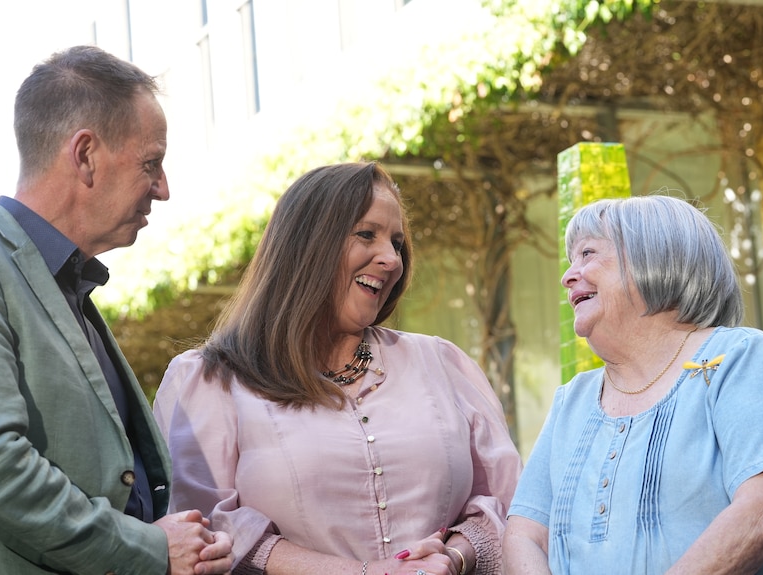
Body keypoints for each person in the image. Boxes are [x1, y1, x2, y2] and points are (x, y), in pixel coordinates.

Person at [152, 161, 522, 575]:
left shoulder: (442, 364)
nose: (391, 259)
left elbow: (508, 506)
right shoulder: (209, 381)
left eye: (397, 243)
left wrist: (452, 557)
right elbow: (201, 532)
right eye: (367, 234)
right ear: (306, 246)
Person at [0, 45, 234, 574]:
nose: (164, 189)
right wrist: (150, 549)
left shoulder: (67, 285)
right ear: (84, 154)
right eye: (151, 164)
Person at [503, 194, 763, 574]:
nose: (568, 276)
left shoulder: (740, 357)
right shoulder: (571, 399)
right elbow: (525, 534)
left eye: (588, 254)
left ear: (654, 256)